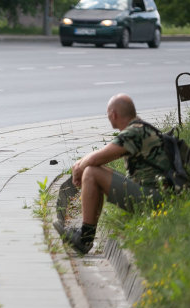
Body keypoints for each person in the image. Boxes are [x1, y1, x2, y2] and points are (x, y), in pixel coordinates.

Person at [58, 93, 172, 255]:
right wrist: (82, 165)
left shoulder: (133, 133)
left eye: (107, 114)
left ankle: (84, 238)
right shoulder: (141, 127)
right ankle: (86, 235)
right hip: (160, 194)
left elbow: (98, 157)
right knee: (93, 171)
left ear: (114, 114)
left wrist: (78, 167)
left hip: (153, 199)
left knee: (91, 172)